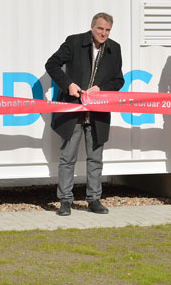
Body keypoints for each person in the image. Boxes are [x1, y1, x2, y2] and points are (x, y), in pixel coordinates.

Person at [45, 12, 124, 216]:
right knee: (67, 158)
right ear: (92, 27)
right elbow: (51, 64)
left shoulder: (114, 48)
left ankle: (94, 200)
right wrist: (68, 84)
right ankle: (65, 201)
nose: (103, 33)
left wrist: (102, 88)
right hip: (73, 111)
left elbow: (119, 80)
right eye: (100, 29)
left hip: (98, 113)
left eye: (107, 30)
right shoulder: (74, 42)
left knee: (95, 159)